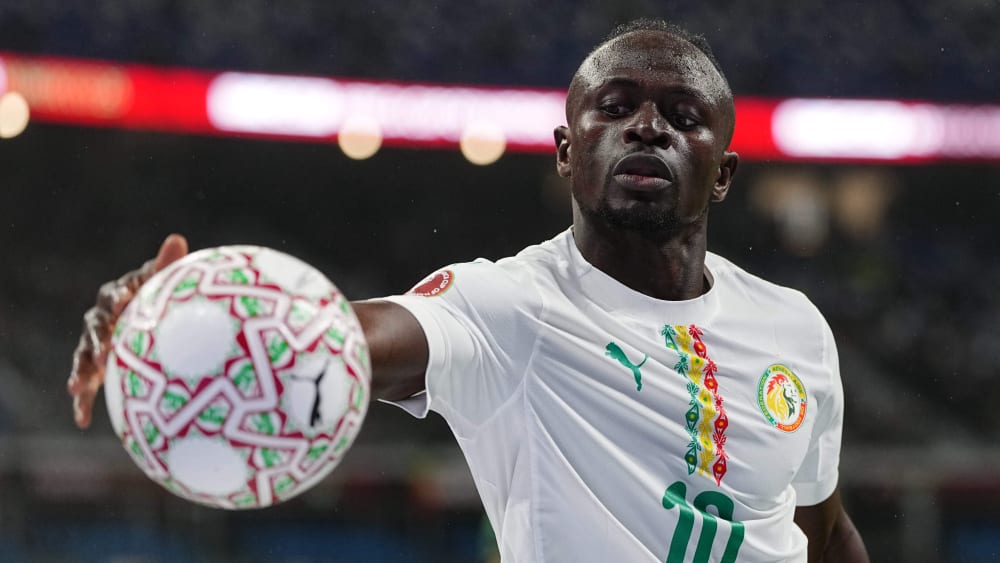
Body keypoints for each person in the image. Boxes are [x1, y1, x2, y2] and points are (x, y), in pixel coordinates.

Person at [68, 18, 869, 563]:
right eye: (616, 107)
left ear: (724, 172)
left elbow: (824, 533)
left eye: (684, 115)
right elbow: (337, 339)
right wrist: (184, 314)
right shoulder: (508, 308)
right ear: (566, 151)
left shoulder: (794, 327)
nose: (648, 127)